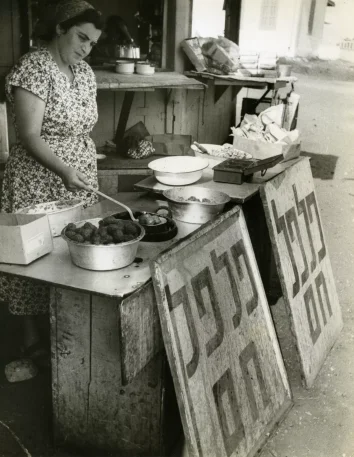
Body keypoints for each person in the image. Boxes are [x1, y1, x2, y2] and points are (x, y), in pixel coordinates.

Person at [0, 0, 103, 369]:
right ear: (60, 28)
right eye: (80, 37)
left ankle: (67, 335)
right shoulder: (33, 67)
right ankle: (31, 340)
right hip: (37, 181)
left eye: (92, 43)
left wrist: (81, 167)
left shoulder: (85, 72)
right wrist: (64, 169)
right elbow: (29, 135)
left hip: (76, 178)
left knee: (72, 253)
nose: (85, 48)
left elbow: (83, 126)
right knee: (35, 258)